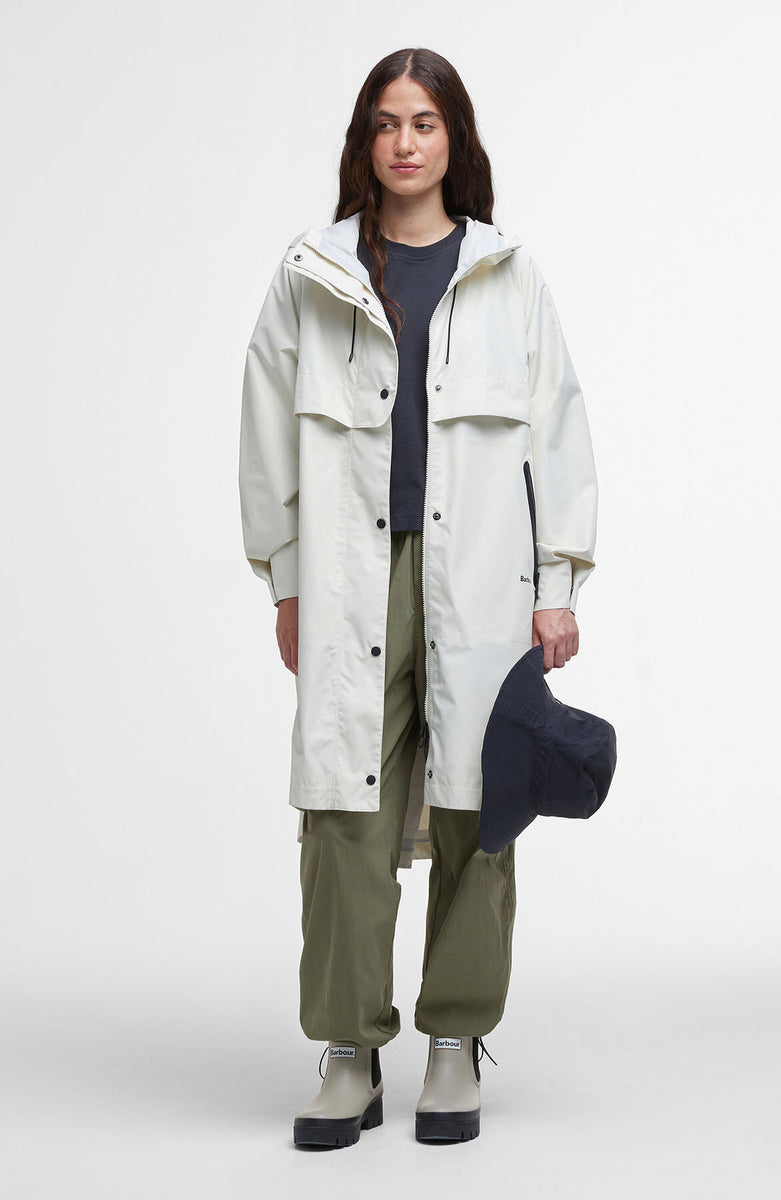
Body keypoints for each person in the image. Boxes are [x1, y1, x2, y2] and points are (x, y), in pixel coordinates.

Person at [238, 47, 599, 1149]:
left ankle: (453, 1040)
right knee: (341, 810)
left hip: (482, 579)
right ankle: (348, 1054)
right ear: (365, 139)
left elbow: (557, 432)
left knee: (481, 802)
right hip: (349, 577)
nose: (405, 142)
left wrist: (554, 585)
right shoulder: (313, 273)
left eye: (425, 123)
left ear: (454, 140)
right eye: (387, 123)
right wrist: (286, 579)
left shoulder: (504, 273)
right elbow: (266, 436)